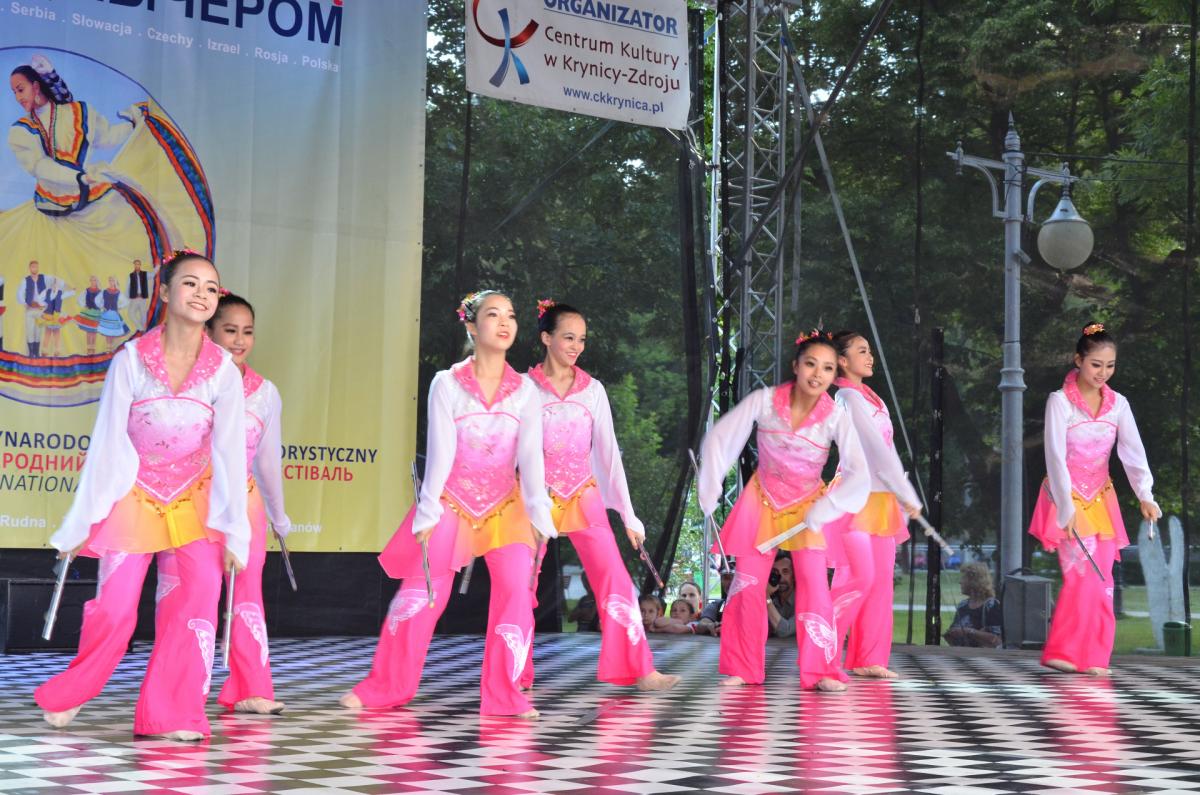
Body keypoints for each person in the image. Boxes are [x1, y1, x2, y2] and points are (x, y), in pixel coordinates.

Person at [34, 252, 249, 741]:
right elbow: (107, 443)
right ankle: (72, 691)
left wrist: (235, 529)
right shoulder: (130, 360)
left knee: (196, 602)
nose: (201, 294)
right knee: (114, 607)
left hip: (195, 496)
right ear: (165, 291)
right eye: (190, 284)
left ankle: (171, 714)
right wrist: (81, 520)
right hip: (135, 491)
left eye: (210, 288)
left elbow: (230, 454)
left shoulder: (223, 370)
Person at [342, 290, 555, 719]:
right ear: (472, 326)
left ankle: (504, 694)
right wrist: (427, 511)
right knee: (421, 593)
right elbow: (440, 454)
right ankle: (384, 687)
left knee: (516, 591)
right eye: (493, 314)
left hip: (506, 504)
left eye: (510, 315)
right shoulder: (447, 383)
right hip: (452, 501)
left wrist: (539, 512)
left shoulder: (526, 392)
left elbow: (531, 459)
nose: (504, 322)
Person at [698, 330, 870, 692]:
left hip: (809, 506)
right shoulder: (764, 401)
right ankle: (743, 667)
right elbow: (721, 438)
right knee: (747, 584)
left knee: (814, 586)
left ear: (833, 374)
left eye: (827, 368)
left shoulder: (835, 416)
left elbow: (859, 472)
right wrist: (710, 489)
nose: (817, 374)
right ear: (796, 365)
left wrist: (828, 508)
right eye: (811, 364)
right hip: (761, 500)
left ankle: (821, 670)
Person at [524, 300, 678, 690]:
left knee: (615, 578)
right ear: (546, 338)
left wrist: (628, 514)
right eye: (568, 337)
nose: (576, 346)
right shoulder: (524, 389)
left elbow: (609, 455)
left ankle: (639, 669)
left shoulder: (593, 390)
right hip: (533, 497)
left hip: (583, 492)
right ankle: (514, 675)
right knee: (521, 585)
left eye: (581, 339)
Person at [157, 292, 292, 715]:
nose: (239, 340)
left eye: (247, 332)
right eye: (230, 330)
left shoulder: (265, 393)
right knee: (183, 595)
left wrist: (278, 514)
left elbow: (268, 460)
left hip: (244, 505)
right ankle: (174, 694)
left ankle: (250, 688)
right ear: (208, 332)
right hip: (186, 503)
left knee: (247, 594)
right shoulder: (182, 381)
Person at [1028, 322, 1160, 676]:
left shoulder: (1118, 405)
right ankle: (1064, 651)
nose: (1103, 373)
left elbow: (1133, 453)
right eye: (1096, 364)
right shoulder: (1060, 402)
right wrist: (1065, 506)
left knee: (1103, 580)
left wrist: (1145, 495)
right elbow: (1055, 456)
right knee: (1081, 575)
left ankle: (1094, 656)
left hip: (1101, 501)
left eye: (1110, 365)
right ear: (1078, 361)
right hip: (1066, 497)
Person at [825, 330, 922, 679]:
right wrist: (906, 491)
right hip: (855, 496)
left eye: (869, 351)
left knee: (881, 579)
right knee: (853, 578)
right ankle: (823, 656)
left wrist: (900, 492)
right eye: (861, 351)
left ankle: (869, 657)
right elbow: (874, 449)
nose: (870, 357)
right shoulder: (847, 397)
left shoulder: (872, 397)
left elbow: (888, 448)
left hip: (879, 498)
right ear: (842, 360)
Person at [944, 563, 1002, 648]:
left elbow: (996, 640)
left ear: (974, 581)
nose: (960, 582)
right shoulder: (962, 605)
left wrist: (969, 631)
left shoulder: (991, 605)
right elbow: (954, 635)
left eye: (963, 578)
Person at [36, 276, 74, 357]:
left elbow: (72, 292)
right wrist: (44, 305)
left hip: (56, 316)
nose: (55, 285)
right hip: (48, 315)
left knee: (57, 333)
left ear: (59, 285)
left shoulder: (61, 293)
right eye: (54, 283)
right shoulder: (46, 291)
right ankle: (44, 350)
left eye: (57, 284)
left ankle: (57, 350)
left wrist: (68, 286)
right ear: (51, 284)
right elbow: (39, 299)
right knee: (47, 332)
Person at [19, 260, 47, 356]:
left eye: (36, 266)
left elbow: (51, 289)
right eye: (32, 266)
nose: (34, 268)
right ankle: (31, 354)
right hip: (30, 309)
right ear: (30, 268)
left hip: (40, 310)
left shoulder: (43, 278)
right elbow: (20, 293)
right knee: (30, 331)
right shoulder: (25, 280)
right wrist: (25, 304)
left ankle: (37, 353)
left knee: (38, 331)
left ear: (38, 268)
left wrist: (45, 304)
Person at [767, 552, 796, 638]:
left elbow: (785, 630)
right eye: (775, 572)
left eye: (785, 572)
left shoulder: (803, 600)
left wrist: (766, 597)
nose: (781, 578)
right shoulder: (773, 598)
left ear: (794, 576)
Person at [98, 275, 130, 350]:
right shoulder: (104, 291)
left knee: (113, 332)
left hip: (114, 314)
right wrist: (102, 306)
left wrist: (119, 307)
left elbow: (126, 301)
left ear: (115, 282)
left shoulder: (118, 292)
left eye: (112, 280)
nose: (111, 282)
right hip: (106, 314)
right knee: (107, 332)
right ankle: (108, 348)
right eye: (110, 280)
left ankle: (111, 348)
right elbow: (97, 299)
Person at [74, 276, 103, 354]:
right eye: (92, 280)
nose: (93, 282)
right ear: (90, 281)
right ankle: (88, 349)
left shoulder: (100, 291)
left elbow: (102, 301)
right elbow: (79, 299)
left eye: (95, 280)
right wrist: (84, 305)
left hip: (96, 313)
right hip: (89, 312)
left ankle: (93, 349)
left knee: (94, 331)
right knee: (88, 331)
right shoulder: (87, 291)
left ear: (97, 281)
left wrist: (100, 307)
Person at [128, 259, 153, 331]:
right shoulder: (131, 275)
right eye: (136, 264)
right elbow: (128, 286)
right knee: (131, 313)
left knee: (143, 314)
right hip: (135, 297)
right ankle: (140, 327)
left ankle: (144, 330)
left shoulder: (145, 274)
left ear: (140, 265)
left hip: (142, 297)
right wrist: (128, 297)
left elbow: (153, 275)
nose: (137, 265)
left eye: (138, 264)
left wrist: (157, 267)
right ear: (134, 265)